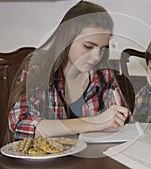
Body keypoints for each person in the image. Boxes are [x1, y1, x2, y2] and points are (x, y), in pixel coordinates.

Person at [8, 1, 130, 140]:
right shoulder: (38, 69)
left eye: (103, 48)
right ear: (67, 39)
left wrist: (118, 118)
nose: (97, 57)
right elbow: (20, 125)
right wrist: (94, 122)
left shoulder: (104, 74)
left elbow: (120, 120)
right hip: (48, 160)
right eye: (88, 46)